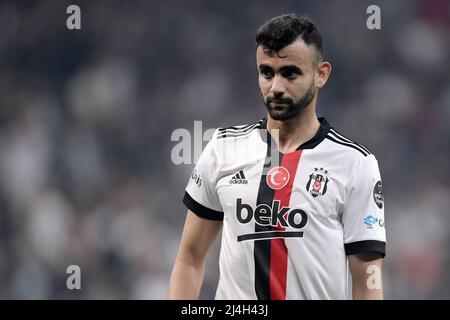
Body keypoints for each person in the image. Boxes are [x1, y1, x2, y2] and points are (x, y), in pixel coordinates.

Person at [168, 13, 386, 300]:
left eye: (290, 73)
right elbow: (190, 259)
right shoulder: (222, 149)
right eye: (267, 72)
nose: (276, 87)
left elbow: (367, 281)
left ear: (321, 74)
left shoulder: (356, 164)